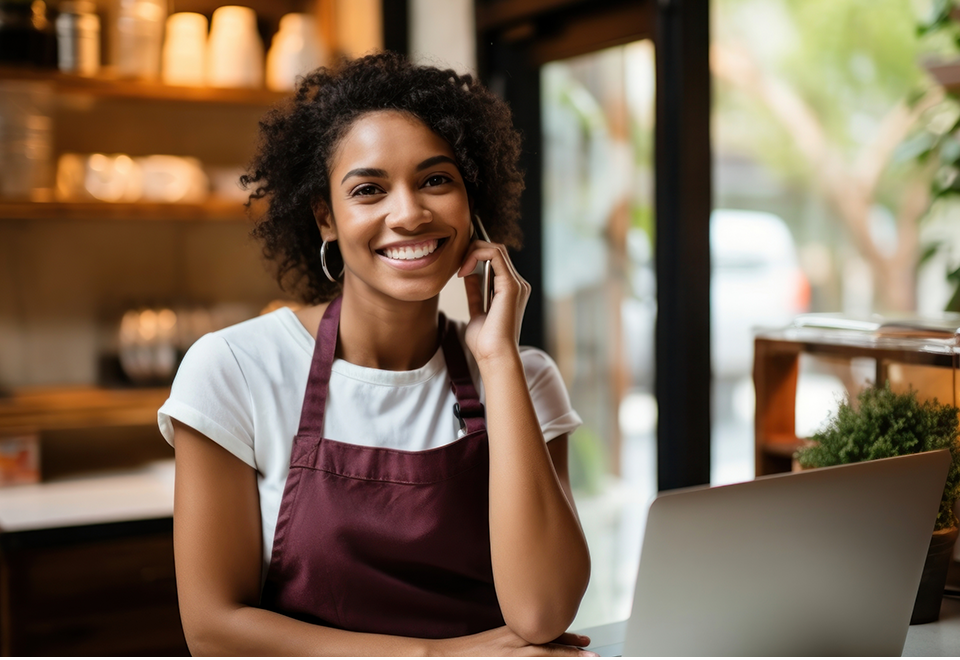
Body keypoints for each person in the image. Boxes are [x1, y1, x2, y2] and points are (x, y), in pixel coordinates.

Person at [158, 51, 593, 656]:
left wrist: (498, 358)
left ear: (474, 207)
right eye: (368, 189)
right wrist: (436, 656)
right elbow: (214, 630)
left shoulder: (524, 376)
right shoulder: (235, 370)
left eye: (437, 180)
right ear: (325, 218)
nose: (410, 213)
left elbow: (542, 612)